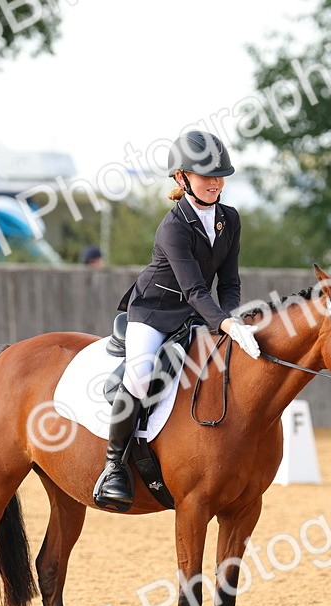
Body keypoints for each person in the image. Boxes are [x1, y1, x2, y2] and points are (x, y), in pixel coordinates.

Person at [92, 130, 261, 511]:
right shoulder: (173, 226)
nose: (215, 182)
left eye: (220, 175)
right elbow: (194, 290)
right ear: (182, 178)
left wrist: (230, 316)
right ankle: (113, 466)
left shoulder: (229, 220)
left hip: (198, 314)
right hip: (154, 312)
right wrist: (225, 325)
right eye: (206, 175)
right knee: (139, 375)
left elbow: (229, 281)